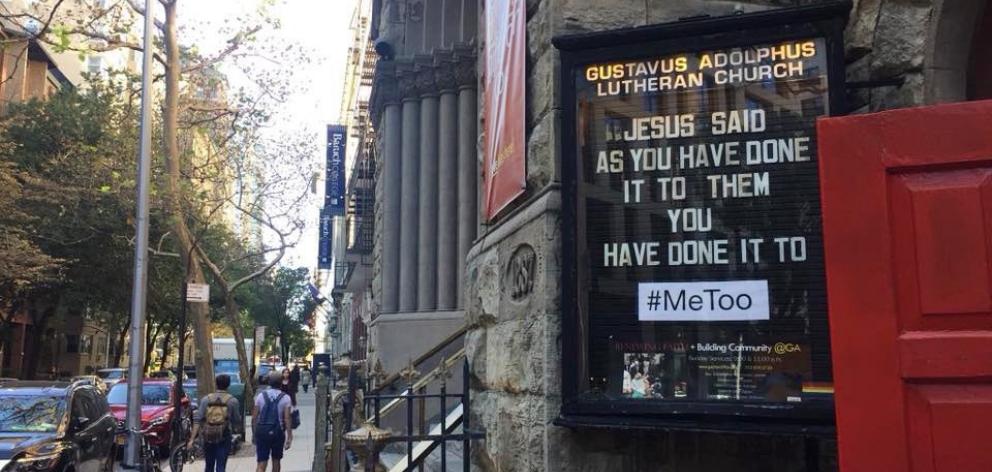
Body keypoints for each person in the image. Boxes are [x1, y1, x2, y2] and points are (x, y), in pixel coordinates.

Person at [188, 374, 242, 472]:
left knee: (209, 465)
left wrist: (192, 439)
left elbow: (198, 419)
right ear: (228, 385)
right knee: (221, 465)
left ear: (216, 384)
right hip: (224, 436)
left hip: (208, 436)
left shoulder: (206, 399)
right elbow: (237, 420)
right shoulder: (233, 401)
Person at [253, 372, 293, 472]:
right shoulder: (286, 398)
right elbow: (287, 418)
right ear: (281, 383)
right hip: (277, 432)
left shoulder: (260, 396)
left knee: (261, 462)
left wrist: (255, 433)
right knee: (276, 460)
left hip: (262, 431)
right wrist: (289, 436)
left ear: (269, 382)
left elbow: (254, 417)